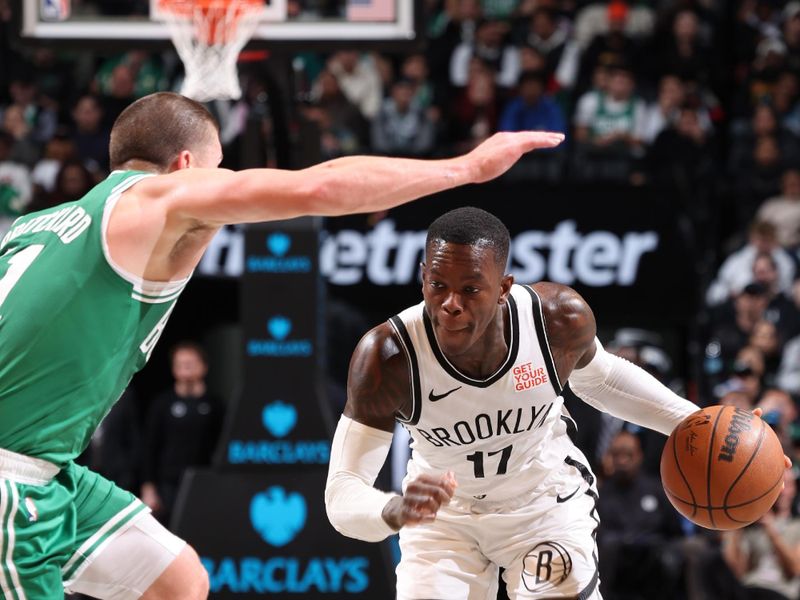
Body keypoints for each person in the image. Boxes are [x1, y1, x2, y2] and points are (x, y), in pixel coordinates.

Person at [0, 93, 563, 599]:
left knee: (176, 581)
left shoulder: (36, 225)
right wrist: (468, 167)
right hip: (12, 480)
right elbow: (317, 187)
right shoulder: (162, 197)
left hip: (50, 468)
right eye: (220, 170)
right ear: (187, 167)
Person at [324, 206, 701, 599]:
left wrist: (698, 421)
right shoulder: (388, 356)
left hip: (543, 502)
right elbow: (342, 494)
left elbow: (602, 380)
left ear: (503, 288)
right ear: (422, 278)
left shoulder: (554, 319)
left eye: (470, 289)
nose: (451, 303)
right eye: (438, 285)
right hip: (446, 519)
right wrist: (393, 510)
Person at [141, 341, 224, 527]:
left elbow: (222, 445)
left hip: (204, 481)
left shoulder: (215, 405)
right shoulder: (162, 404)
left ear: (204, 367)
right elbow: (150, 446)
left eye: (190, 364)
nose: (185, 369)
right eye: (180, 364)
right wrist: (149, 487)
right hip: (168, 484)